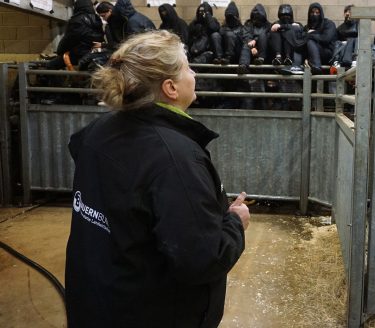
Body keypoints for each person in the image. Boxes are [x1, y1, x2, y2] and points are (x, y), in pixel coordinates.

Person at [65, 30, 250, 328]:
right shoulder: (176, 158)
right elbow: (202, 260)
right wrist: (234, 224)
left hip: (96, 301)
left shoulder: (97, 131)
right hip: (151, 312)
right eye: (187, 66)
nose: (194, 73)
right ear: (170, 88)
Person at [238, 3, 271, 73]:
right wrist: (252, 47)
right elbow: (246, 35)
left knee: (263, 37)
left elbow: (268, 36)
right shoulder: (248, 24)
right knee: (246, 45)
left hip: (263, 49)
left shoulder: (268, 25)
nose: (257, 20)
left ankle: (260, 59)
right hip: (251, 48)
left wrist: (255, 41)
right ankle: (243, 66)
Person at [331, 4, 359, 69]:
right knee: (337, 42)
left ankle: (355, 60)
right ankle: (336, 61)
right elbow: (335, 42)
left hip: (355, 49)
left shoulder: (360, 25)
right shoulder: (340, 28)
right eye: (346, 11)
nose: (347, 13)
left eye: (350, 12)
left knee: (355, 39)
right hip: (343, 50)